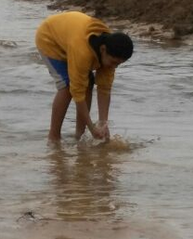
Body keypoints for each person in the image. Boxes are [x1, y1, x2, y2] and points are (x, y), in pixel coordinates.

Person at [35, 11, 133, 142]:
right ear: (103, 49)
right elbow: (77, 93)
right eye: (114, 62)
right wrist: (92, 127)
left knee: (88, 83)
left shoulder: (111, 50)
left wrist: (103, 124)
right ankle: (53, 137)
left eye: (119, 64)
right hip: (50, 39)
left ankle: (79, 136)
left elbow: (104, 89)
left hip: (71, 36)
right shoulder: (83, 52)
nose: (114, 67)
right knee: (67, 85)